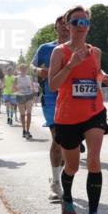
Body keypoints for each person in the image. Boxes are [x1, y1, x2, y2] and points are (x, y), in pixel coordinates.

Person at [48, 6, 108, 214]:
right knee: (72, 166)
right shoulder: (59, 52)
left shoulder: (96, 52)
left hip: (94, 112)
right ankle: (68, 198)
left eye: (85, 22)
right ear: (67, 24)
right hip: (67, 117)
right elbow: (53, 85)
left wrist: (107, 78)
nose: (81, 27)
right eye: (76, 22)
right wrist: (71, 64)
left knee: (94, 159)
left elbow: (96, 77)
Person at [32, 15, 71, 201]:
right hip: (51, 98)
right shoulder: (45, 48)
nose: (64, 27)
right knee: (58, 139)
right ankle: (56, 184)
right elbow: (31, 66)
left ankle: (58, 175)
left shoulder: (78, 48)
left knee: (68, 144)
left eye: (67, 24)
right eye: (61, 24)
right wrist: (38, 71)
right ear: (56, 27)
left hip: (73, 100)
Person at [14, 64, 34, 139]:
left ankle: (28, 130)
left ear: (27, 70)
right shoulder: (16, 78)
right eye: (22, 68)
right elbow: (13, 89)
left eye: (25, 68)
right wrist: (18, 88)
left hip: (28, 97)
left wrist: (32, 89)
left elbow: (32, 87)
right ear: (19, 69)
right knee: (22, 115)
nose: (23, 70)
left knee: (29, 114)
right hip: (20, 97)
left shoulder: (29, 77)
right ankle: (24, 129)